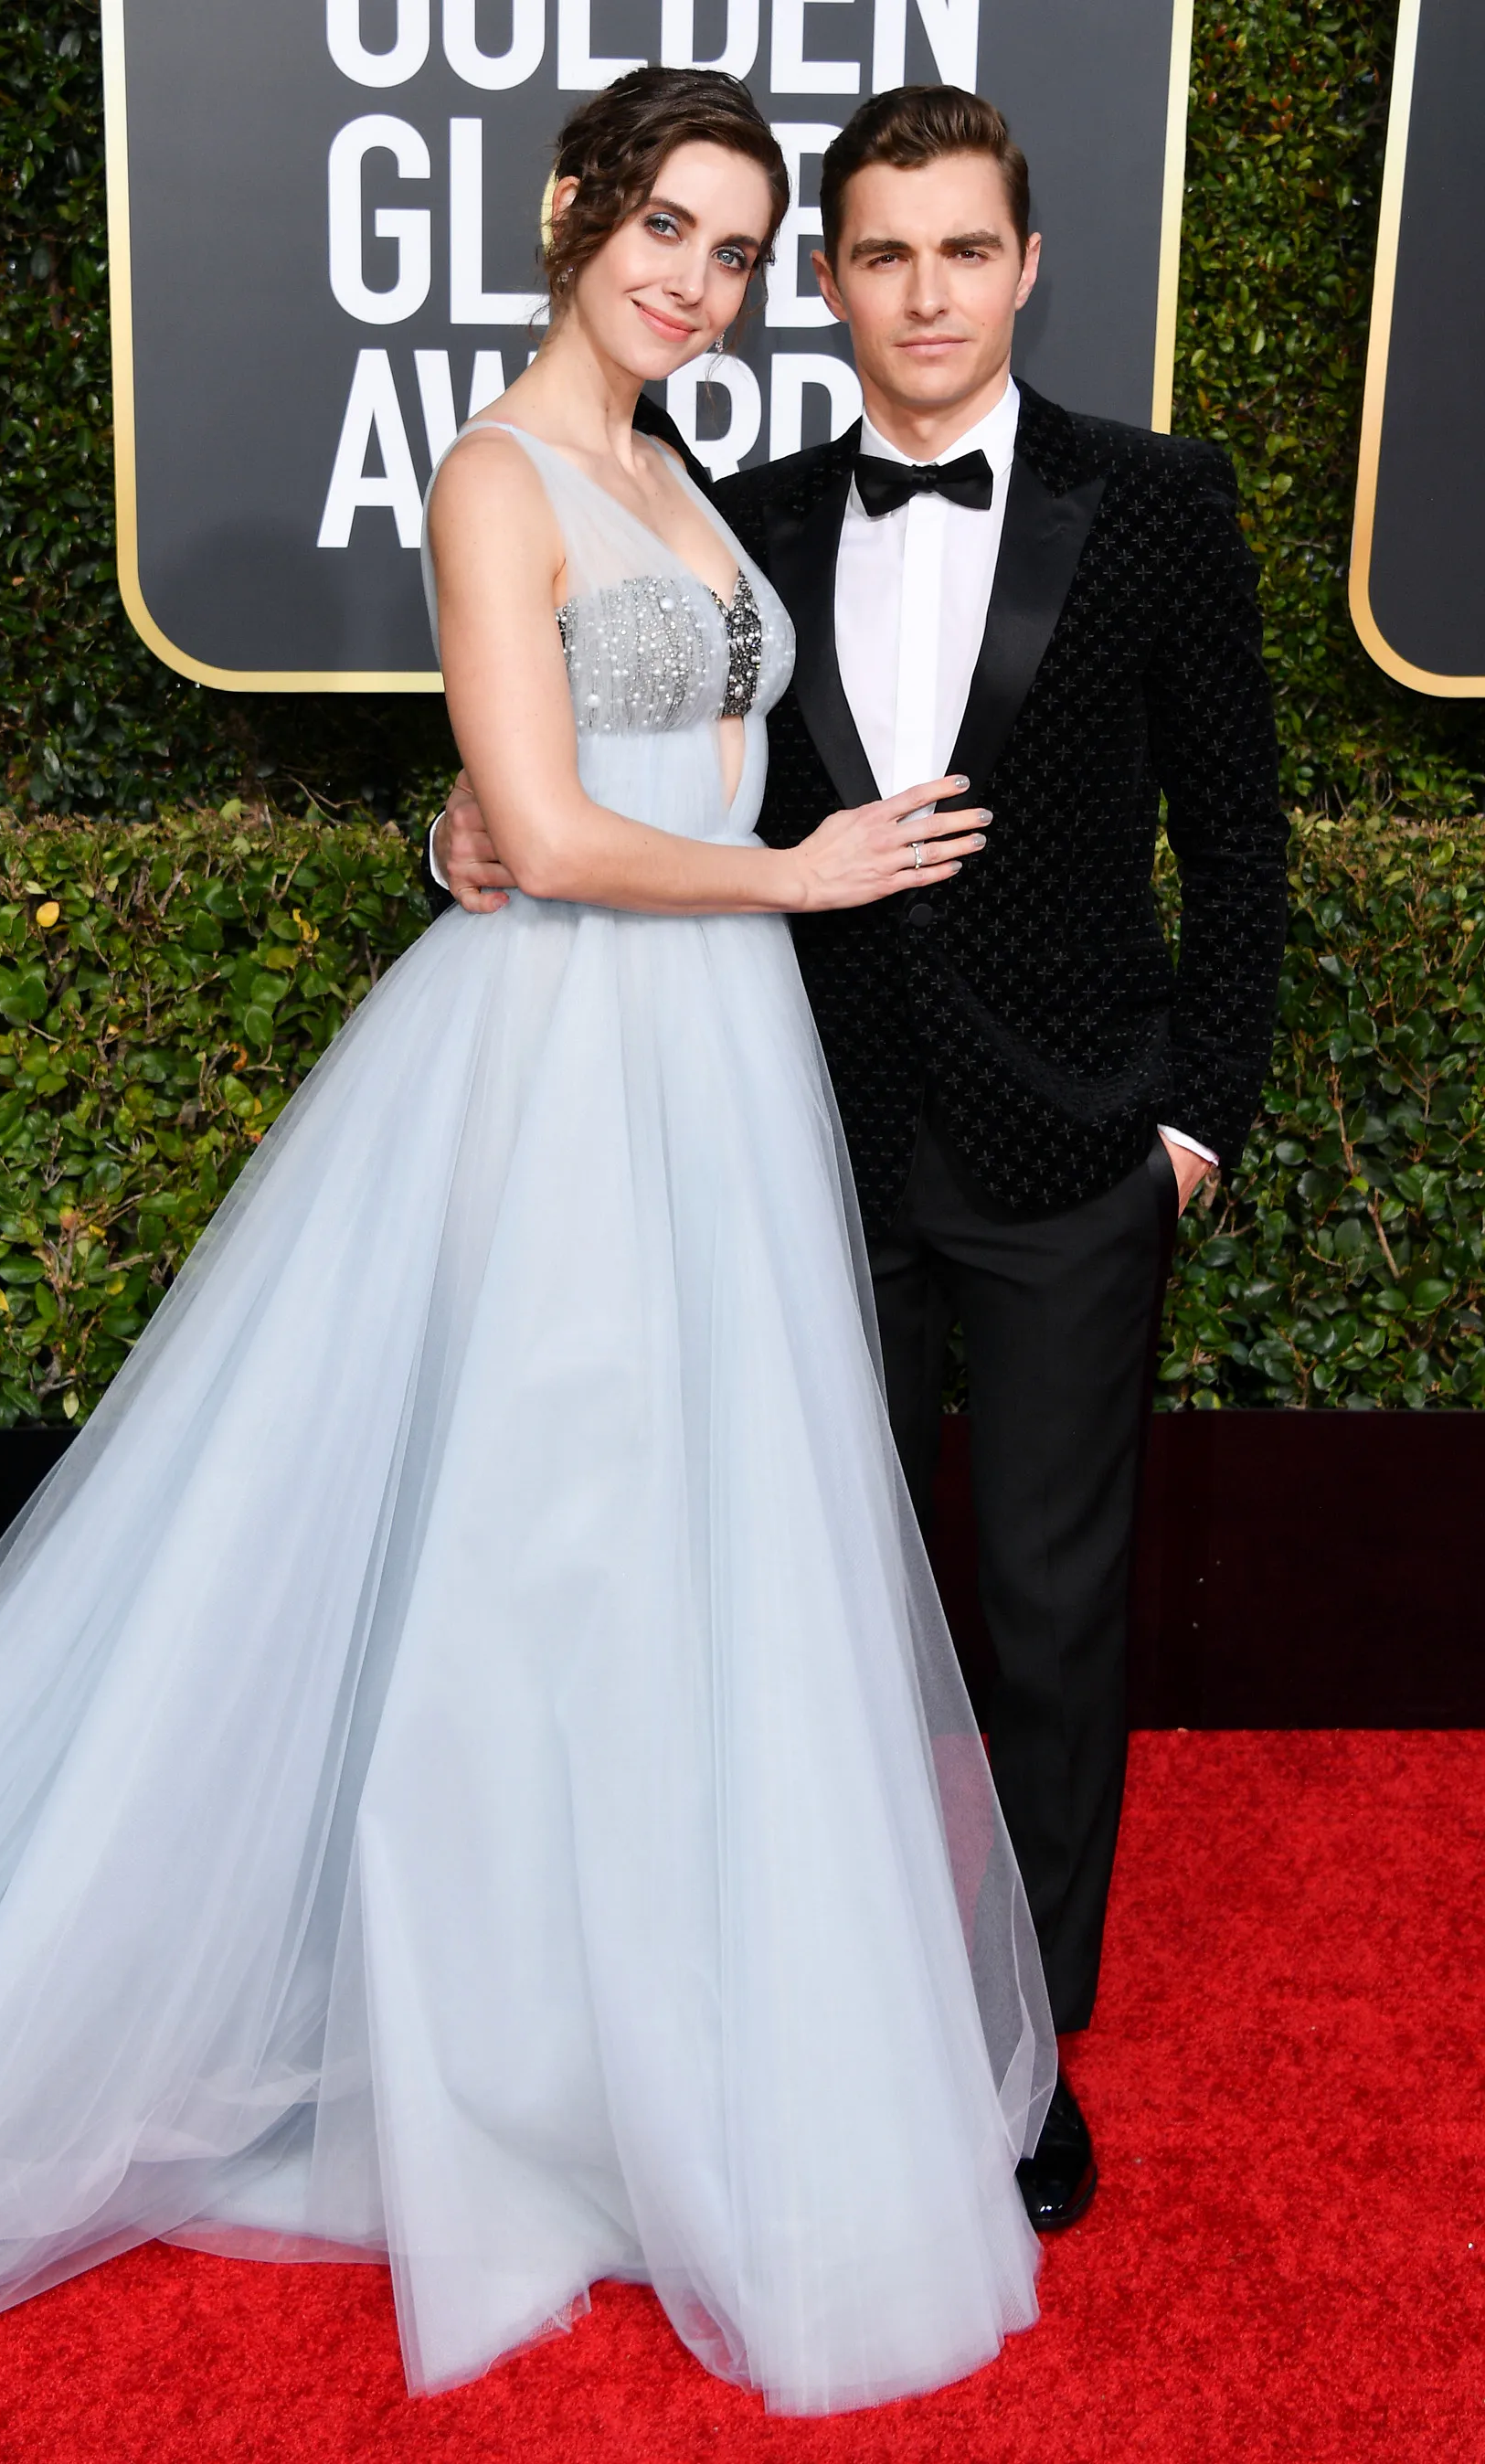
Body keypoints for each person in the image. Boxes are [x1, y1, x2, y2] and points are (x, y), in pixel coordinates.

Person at [0, 73, 1056, 2414]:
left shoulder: (675, 473)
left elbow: (585, 776)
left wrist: (527, 835)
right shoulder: (493, 474)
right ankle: (500, 2089)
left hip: (716, 1061)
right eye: (664, 227)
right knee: (540, 1555)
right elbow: (560, 833)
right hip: (570, 1058)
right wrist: (766, 874)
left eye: (734, 248)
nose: (696, 281)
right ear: (575, 209)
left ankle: (635, 2051)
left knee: (685, 1557)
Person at [436, 85, 1289, 2233]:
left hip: (1076, 1156)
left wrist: (1192, 1125)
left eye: (964, 251)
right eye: (879, 254)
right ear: (828, 285)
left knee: (1051, 1622)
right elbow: (610, 764)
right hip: (796, 1146)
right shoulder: (738, 511)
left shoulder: (1157, 502)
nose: (926, 294)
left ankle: (1020, 2056)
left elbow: (1242, 841)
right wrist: (461, 831)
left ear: (1027, 268)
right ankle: (820, 2016)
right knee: (794, 1614)